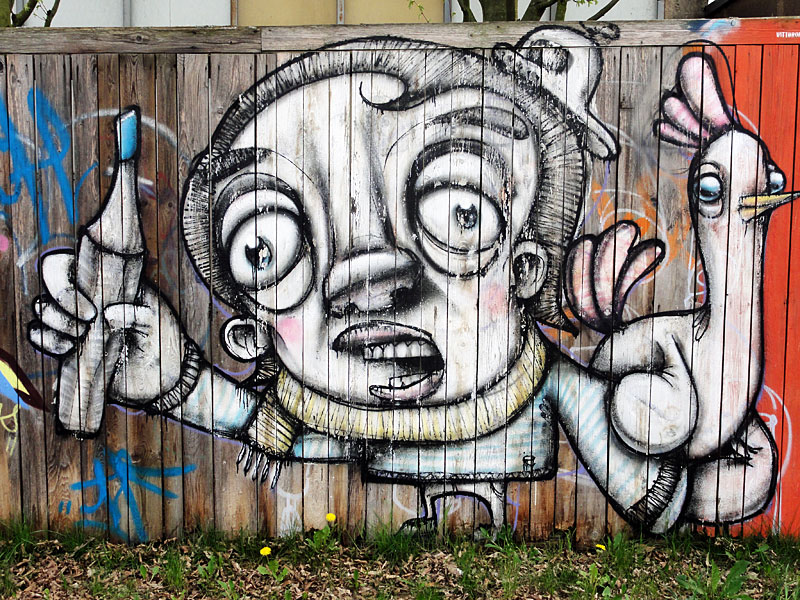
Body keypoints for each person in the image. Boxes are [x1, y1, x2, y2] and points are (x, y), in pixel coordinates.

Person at [28, 24, 777, 534]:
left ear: (523, 268)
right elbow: (258, 421)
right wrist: (175, 381)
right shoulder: (308, 407)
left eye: (459, 211)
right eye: (267, 246)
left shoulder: (540, 386)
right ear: (251, 330)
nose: (367, 280)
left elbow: (645, 481)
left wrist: (707, 486)